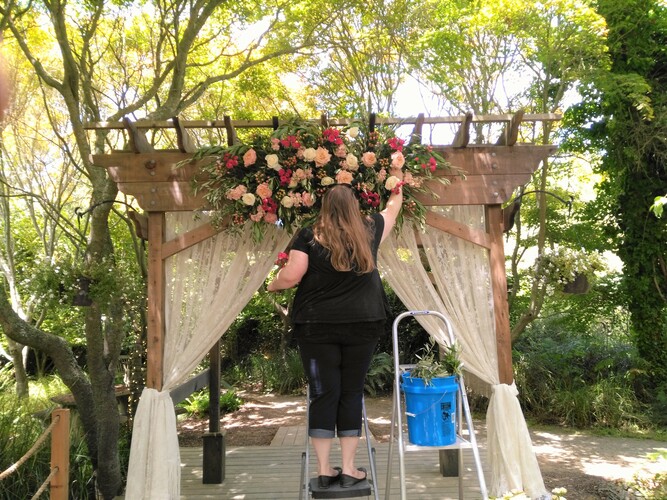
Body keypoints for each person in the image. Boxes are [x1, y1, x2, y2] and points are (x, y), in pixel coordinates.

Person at [266, 164, 403, 489]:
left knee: (323, 393)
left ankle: (325, 469)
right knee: (351, 391)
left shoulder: (309, 234)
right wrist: (397, 179)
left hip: (317, 326)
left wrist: (273, 284)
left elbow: (291, 276)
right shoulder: (370, 228)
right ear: (355, 206)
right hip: (363, 323)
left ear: (325, 207)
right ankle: (350, 468)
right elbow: (393, 208)